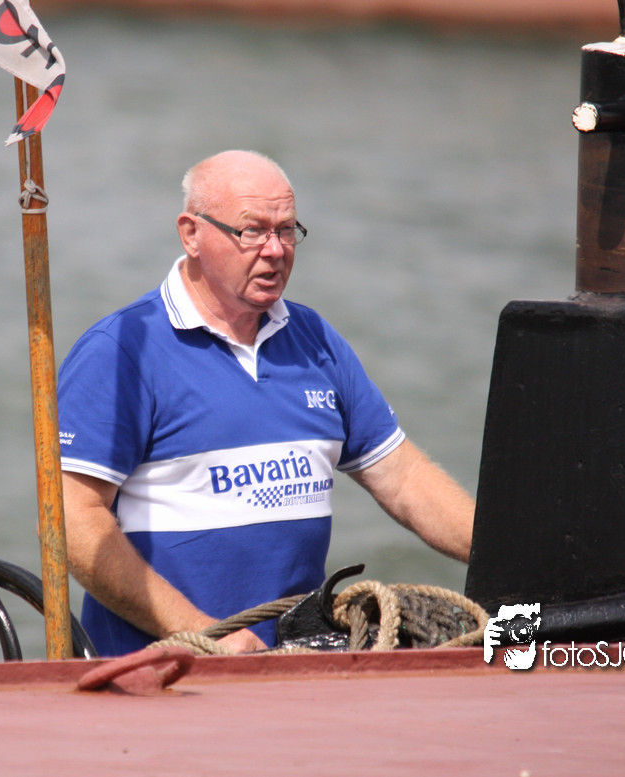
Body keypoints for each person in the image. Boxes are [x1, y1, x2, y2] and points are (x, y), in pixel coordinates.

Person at [57, 149, 474, 657]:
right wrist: (205, 636)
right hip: (158, 672)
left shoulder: (315, 339)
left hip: (294, 665)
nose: (275, 250)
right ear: (191, 234)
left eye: (286, 230)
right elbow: (70, 518)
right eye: (252, 230)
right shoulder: (122, 350)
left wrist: (511, 556)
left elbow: (404, 479)